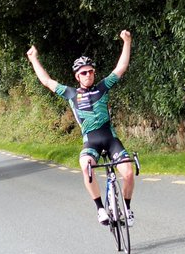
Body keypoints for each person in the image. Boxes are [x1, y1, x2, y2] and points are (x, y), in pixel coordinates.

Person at [26, 30, 136, 226]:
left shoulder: (103, 87)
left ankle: (127, 209)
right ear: (77, 76)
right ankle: (100, 209)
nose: (88, 75)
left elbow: (121, 67)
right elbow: (47, 81)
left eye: (91, 71)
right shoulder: (70, 93)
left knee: (128, 172)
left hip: (110, 139)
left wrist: (127, 41)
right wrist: (34, 58)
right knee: (86, 166)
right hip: (91, 141)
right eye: (84, 72)